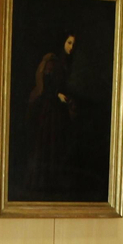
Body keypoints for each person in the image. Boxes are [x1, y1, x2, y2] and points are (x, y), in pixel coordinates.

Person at [24, 31, 77, 195]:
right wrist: (57, 95)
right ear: (63, 42)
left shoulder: (69, 63)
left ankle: (55, 186)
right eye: (69, 43)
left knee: (60, 146)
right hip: (50, 111)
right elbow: (45, 87)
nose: (71, 47)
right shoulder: (53, 62)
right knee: (48, 146)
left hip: (60, 111)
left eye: (74, 44)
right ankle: (43, 186)